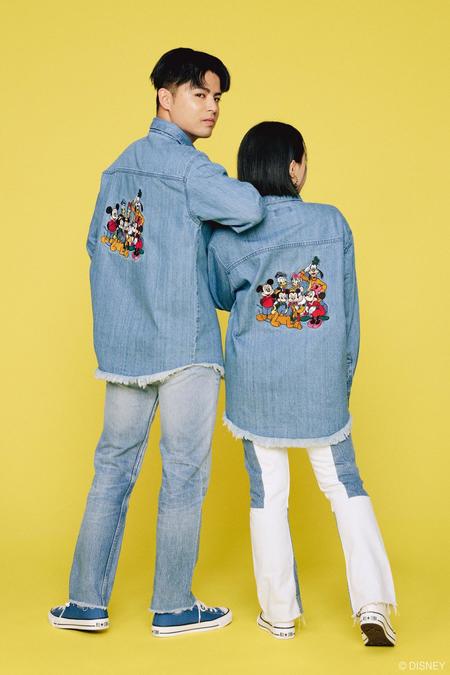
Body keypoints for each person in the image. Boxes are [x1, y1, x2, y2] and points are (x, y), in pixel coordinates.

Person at [48, 48, 265, 638]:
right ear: (165, 98)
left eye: (217, 97)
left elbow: (98, 246)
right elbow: (249, 207)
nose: (212, 107)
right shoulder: (192, 171)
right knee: (184, 475)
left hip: (125, 348)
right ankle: (172, 605)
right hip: (186, 344)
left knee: (112, 470)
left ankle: (84, 603)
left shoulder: (117, 169)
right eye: (200, 94)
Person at [207, 121, 397, 645]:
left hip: (255, 385)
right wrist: (341, 380)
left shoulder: (228, 237)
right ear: (293, 168)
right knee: (344, 485)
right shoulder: (332, 223)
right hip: (320, 382)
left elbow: (220, 295)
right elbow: (348, 314)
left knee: (268, 494)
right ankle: (374, 604)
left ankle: (280, 616)